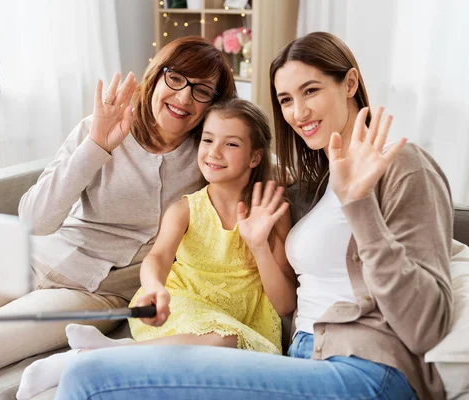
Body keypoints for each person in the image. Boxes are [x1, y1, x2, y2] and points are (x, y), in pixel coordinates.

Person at [54, 32, 454, 400]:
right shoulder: (313, 184)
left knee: (84, 379)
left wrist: (360, 203)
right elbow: (240, 167)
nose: (298, 112)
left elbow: (426, 326)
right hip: (298, 360)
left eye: (310, 90)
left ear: (349, 84)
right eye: (285, 100)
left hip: (365, 368)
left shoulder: (402, 166)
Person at [0, 36, 236, 400]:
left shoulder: (208, 157)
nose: (185, 97)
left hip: (95, 291)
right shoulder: (102, 127)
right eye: (176, 79)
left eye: (202, 90)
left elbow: (250, 159)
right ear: (156, 77)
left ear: (212, 104)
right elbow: (35, 220)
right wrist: (96, 147)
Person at [15, 99, 296, 399]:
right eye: (208, 140)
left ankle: (112, 351)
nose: (214, 152)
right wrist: (153, 287)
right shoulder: (185, 209)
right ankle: (82, 361)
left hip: (245, 321)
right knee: (222, 339)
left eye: (231, 144)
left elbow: (284, 305)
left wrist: (258, 246)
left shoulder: (272, 212)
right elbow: (158, 258)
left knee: (225, 343)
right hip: (182, 306)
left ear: (255, 157)